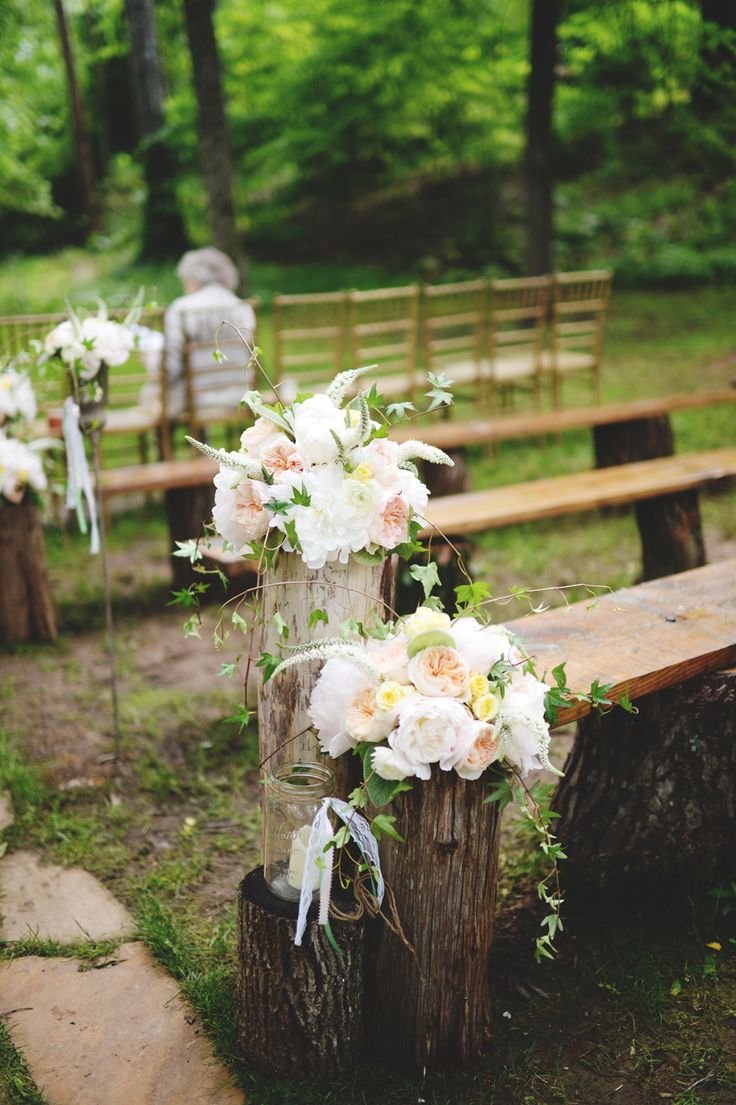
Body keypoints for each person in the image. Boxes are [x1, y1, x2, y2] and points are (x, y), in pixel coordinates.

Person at [163, 247, 256, 419]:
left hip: (196, 397)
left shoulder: (181, 308)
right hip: (241, 393)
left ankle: (174, 444)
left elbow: (171, 364)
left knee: (160, 399)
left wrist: (153, 362)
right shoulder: (242, 306)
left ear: (193, 278)